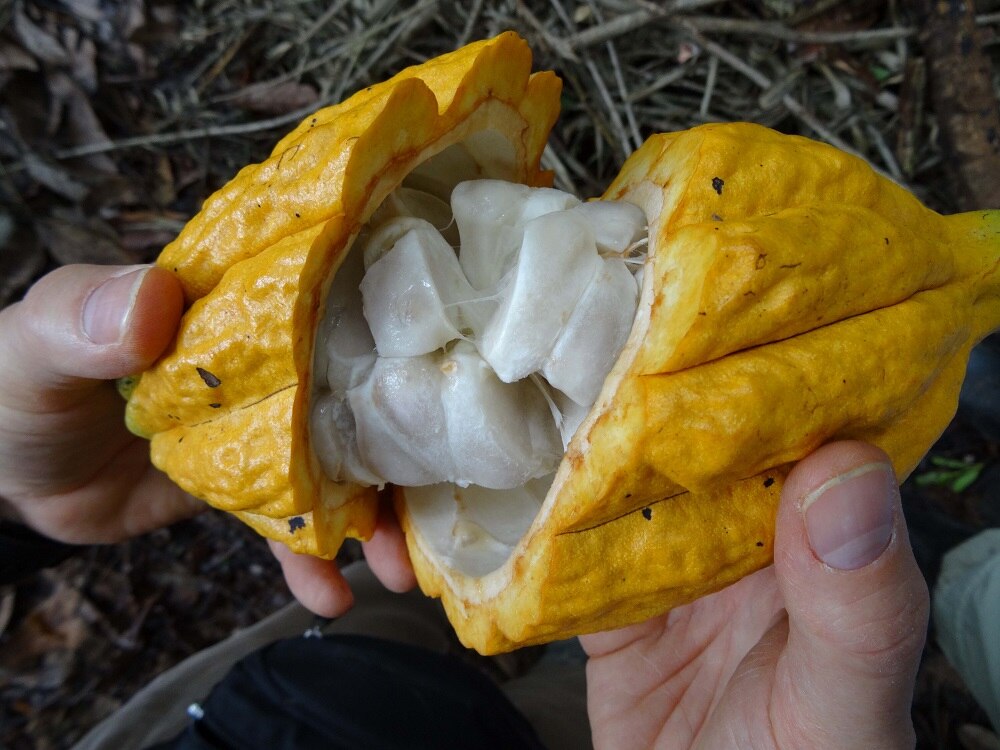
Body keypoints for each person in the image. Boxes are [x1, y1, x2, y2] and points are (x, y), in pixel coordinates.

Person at [0, 263, 931, 748]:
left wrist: (23, 503)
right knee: (681, 646)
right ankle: (934, 524)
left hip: (262, 700)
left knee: (399, 580)